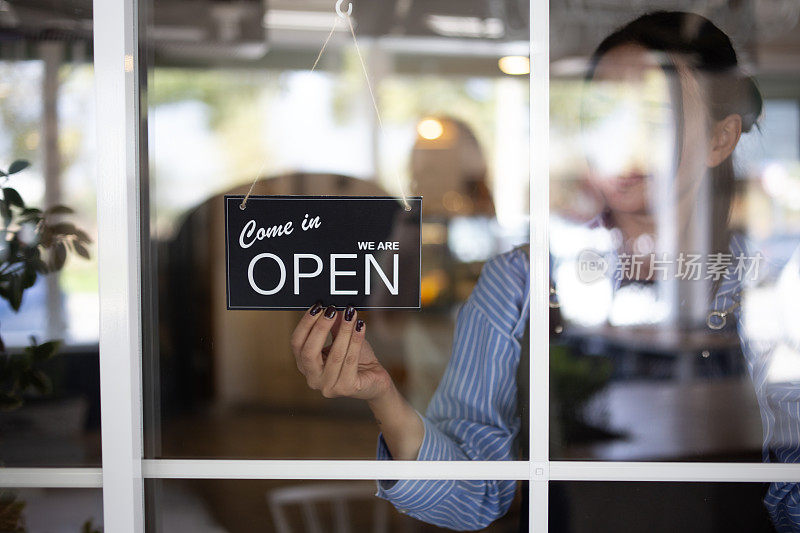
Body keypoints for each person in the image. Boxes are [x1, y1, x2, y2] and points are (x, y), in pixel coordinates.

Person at [291, 11, 798, 532]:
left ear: (721, 139)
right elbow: (476, 495)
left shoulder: (773, 286)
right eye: (604, 114)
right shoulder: (520, 282)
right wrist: (384, 397)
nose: (622, 143)